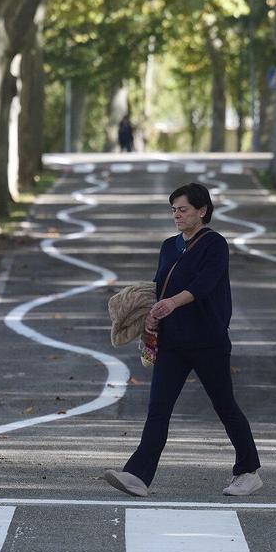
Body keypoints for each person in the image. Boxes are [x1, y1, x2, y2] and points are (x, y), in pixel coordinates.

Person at [103, 181, 262, 497]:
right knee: (158, 409)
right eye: (173, 210)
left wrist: (173, 302)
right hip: (172, 342)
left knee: (224, 405)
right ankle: (137, 476)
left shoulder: (214, 244)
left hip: (208, 340)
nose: (177, 215)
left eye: (183, 209)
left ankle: (248, 471)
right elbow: (159, 285)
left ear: (202, 211)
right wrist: (151, 314)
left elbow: (204, 285)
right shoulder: (168, 246)